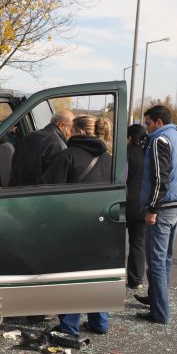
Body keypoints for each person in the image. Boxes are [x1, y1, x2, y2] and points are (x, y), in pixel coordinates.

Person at [44, 115, 112, 336]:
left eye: (72, 130)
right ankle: (100, 323)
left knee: (72, 275)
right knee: (98, 275)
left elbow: (50, 192)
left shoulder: (67, 156)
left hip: (72, 225)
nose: (69, 134)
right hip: (103, 224)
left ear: (81, 132)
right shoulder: (110, 159)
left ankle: (70, 326)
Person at [136, 105, 177, 324]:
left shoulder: (159, 140)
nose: (147, 128)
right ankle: (156, 300)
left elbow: (160, 178)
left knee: (156, 261)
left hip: (163, 208)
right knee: (166, 258)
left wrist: (152, 209)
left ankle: (160, 312)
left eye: (148, 123)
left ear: (159, 122)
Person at [9, 110, 74, 186]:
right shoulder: (59, 146)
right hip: (35, 194)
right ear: (61, 125)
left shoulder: (29, 136)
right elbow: (54, 181)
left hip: (13, 190)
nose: (71, 134)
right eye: (71, 130)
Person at [125, 124, 147, 295]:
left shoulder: (126, 154)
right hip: (143, 205)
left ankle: (113, 277)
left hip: (124, 204)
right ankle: (136, 280)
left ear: (130, 138)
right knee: (138, 243)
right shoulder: (149, 154)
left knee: (115, 242)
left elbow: (122, 178)